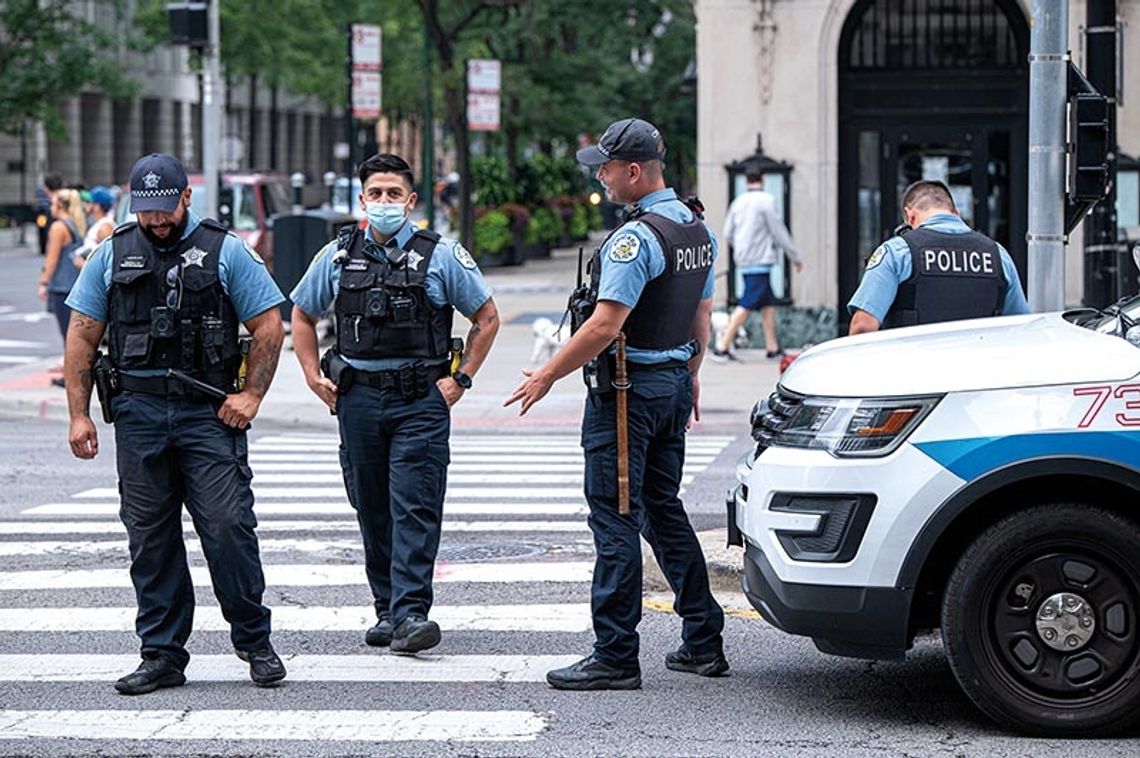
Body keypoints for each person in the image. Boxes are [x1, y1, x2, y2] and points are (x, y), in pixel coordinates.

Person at [505, 118, 728, 690]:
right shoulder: (696, 228)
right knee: (661, 508)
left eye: (604, 167)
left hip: (628, 395)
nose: (599, 177)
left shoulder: (635, 239)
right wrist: (691, 373)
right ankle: (703, 638)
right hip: (672, 385)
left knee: (615, 518)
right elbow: (701, 317)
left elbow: (605, 324)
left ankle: (615, 654)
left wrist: (548, 375)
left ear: (633, 171)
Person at [62, 153, 288, 695]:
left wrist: (251, 394)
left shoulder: (225, 250)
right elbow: (82, 336)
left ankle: (254, 641)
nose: (158, 221)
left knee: (229, 528)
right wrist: (78, 415)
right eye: (147, 211)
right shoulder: (111, 254)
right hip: (139, 413)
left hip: (208, 412)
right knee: (150, 538)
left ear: (187, 198)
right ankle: (162, 654)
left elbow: (269, 326)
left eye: (166, 209)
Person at [290, 153, 500, 655]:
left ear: (411, 201)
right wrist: (311, 375)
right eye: (376, 193)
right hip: (358, 398)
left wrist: (460, 380)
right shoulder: (337, 257)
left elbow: (487, 318)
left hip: (419, 400)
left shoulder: (442, 255)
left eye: (394, 194)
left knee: (415, 504)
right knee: (371, 505)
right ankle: (387, 608)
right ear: (363, 200)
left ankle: (411, 612)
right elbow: (299, 314)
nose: (384, 202)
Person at [847, 179, 1029, 334]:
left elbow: (863, 327)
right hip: (982, 372)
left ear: (910, 217)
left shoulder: (898, 252)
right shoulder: (998, 255)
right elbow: (1022, 329)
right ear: (956, 213)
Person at [711, 162, 803, 361]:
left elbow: (728, 232)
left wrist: (741, 248)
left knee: (767, 303)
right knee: (748, 302)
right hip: (761, 259)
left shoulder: (738, 202)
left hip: (745, 259)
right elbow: (778, 231)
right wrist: (794, 256)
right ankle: (722, 345)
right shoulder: (766, 201)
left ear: (746, 180)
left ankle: (772, 347)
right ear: (763, 178)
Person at [39, 188, 88, 359]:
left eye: (52, 203)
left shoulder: (58, 227)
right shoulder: (74, 223)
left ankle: (70, 373)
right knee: (74, 333)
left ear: (60, 205)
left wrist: (43, 282)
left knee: (67, 334)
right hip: (74, 284)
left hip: (61, 285)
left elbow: (51, 259)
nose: (50, 206)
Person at [80, 186, 117, 261]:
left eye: (89, 201)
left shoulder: (105, 227)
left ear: (97, 206)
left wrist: (83, 265)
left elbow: (109, 258)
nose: (85, 204)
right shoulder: (99, 223)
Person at [35, 172, 64, 256]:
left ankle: (43, 248)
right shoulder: (64, 196)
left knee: (42, 230)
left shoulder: (40, 190)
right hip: (44, 213)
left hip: (41, 213)